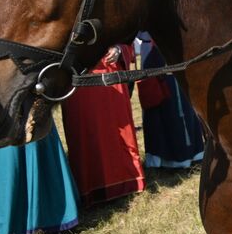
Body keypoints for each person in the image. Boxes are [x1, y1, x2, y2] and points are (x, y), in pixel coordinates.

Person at [62, 43, 145, 207]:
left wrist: (119, 50)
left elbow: (125, 37)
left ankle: (128, 181)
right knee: (89, 133)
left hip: (111, 75)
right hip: (80, 82)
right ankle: (92, 188)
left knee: (118, 132)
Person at [135, 32, 206, 170]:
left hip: (174, 48)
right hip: (153, 52)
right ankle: (164, 158)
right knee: (159, 102)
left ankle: (191, 153)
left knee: (182, 101)